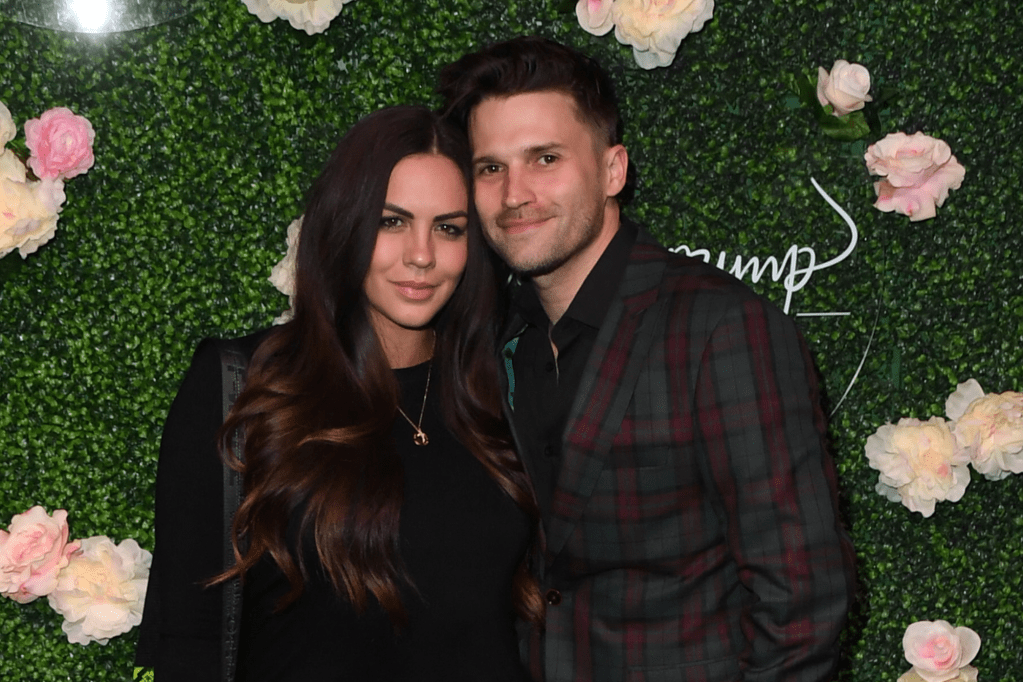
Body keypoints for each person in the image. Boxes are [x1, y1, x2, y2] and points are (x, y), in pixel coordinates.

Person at [438, 37, 856, 682]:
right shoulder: (499, 336)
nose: (514, 193)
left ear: (613, 170)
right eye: (491, 168)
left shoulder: (720, 328)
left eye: (545, 158)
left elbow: (802, 600)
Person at [134, 105, 542, 681]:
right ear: (345, 222)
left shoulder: (500, 391)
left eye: (449, 228)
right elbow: (191, 639)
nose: (421, 255)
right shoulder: (244, 384)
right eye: (391, 222)